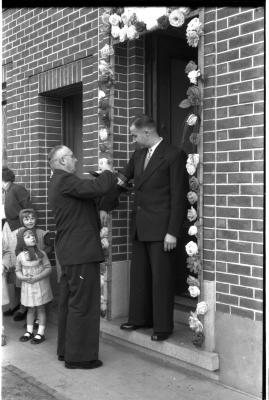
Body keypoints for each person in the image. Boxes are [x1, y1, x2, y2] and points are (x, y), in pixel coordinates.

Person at [47, 145, 118, 369]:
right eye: (71, 157)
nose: (75, 160)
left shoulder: (60, 182)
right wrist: (107, 170)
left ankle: (66, 351)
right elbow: (98, 187)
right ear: (61, 161)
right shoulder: (65, 180)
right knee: (83, 304)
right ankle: (79, 358)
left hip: (71, 252)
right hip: (79, 252)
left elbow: (92, 195)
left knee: (70, 303)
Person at [118, 114, 187, 341]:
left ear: (147, 132)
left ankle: (162, 327)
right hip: (139, 225)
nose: (133, 140)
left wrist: (172, 231)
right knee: (139, 275)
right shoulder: (137, 155)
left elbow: (178, 196)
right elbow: (123, 179)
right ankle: (139, 318)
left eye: (135, 135)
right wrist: (107, 176)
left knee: (161, 279)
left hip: (162, 229)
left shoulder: (173, 154)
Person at [2, 166, 33, 321]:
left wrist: (26, 233)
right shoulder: (7, 191)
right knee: (14, 270)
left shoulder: (17, 189)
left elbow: (28, 211)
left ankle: (25, 307)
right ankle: (16, 304)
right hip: (9, 230)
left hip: (18, 231)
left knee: (21, 268)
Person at [15, 228, 53, 344]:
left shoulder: (41, 254)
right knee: (30, 309)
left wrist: (36, 278)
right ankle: (29, 331)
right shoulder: (20, 256)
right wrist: (22, 277)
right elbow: (17, 270)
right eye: (27, 236)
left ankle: (40, 333)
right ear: (22, 241)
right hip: (28, 287)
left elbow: (48, 268)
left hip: (40, 285)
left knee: (41, 309)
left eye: (32, 235)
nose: (32, 237)